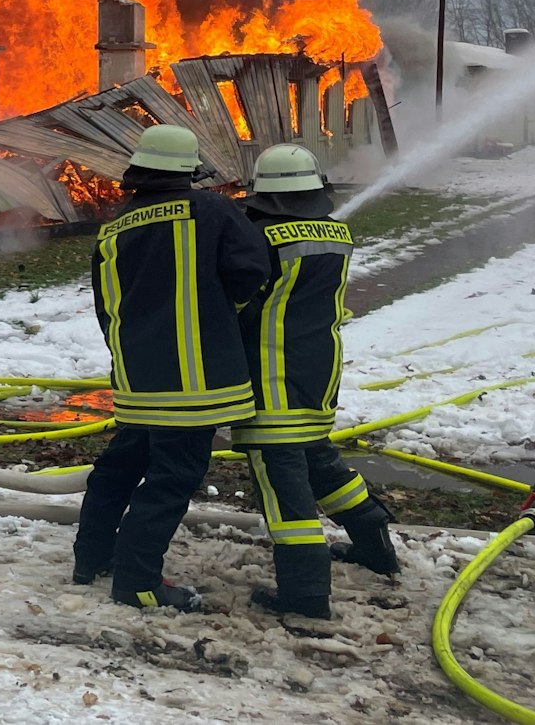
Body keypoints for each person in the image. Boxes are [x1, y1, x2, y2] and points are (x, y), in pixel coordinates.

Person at [72, 124, 272, 611]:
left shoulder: (115, 228)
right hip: (195, 383)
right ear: (188, 172)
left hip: (139, 380)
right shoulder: (211, 210)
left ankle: (91, 559)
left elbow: (107, 308)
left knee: (118, 470)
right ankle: (138, 582)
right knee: (171, 480)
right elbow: (252, 272)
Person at [235, 144, 400, 619]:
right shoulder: (337, 233)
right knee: (318, 461)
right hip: (318, 373)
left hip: (271, 380)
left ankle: (305, 596)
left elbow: (239, 302)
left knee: (283, 484)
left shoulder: (259, 239)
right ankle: (374, 544)